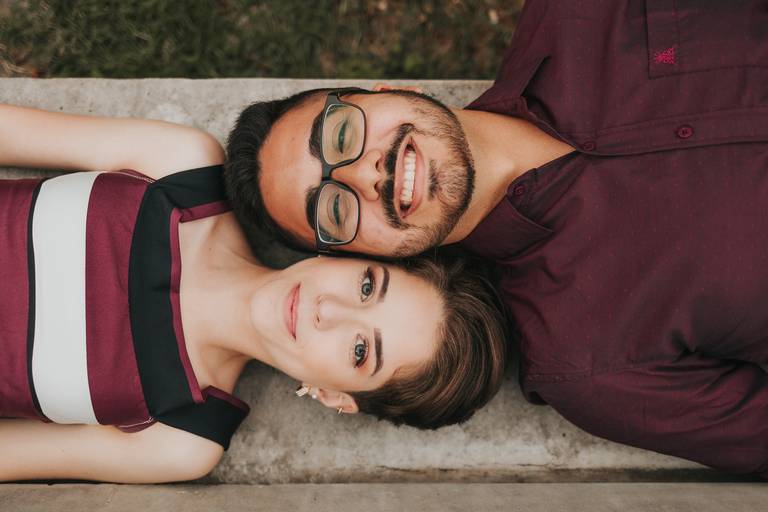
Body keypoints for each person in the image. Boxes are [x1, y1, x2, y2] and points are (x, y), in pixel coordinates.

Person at [223, 1, 768, 477]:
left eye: (342, 134)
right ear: (364, 255)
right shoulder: (585, 362)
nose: (367, 175)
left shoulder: (579, 13)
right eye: (334, 210)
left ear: (384, 91)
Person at [0, 104, 508, 483]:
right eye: (367, 285)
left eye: (360, 350)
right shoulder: (179, 172)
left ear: (336, 398)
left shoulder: (182, 437)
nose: (327, 310)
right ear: (354, 256)